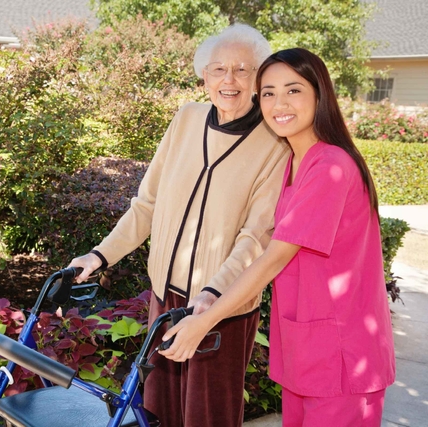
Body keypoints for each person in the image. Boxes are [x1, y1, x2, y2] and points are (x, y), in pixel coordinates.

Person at [68, 24, 290, 427]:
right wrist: (99, 255)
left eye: (243, 70)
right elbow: (147, 204)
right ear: (203, 75)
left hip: (221, 309)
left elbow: (256, 237)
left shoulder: (274, 143)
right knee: (156, 411)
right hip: (163, 299)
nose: (229, 80)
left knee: (208, 417)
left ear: (259, 79)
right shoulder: (186, 118)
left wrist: (213, 297)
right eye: (218, 69)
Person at [161, 47, 396, 426]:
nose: (278, 103)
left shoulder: (331, 166)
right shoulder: (293, 160)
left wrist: (205, 322)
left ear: (320, 94)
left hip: (342, 358)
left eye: (293, 90)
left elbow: (273, 256)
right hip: (306, 352)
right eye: (267, 92)